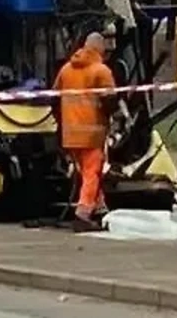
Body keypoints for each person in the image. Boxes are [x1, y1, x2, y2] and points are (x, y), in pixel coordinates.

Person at [54, 32, 116, 232]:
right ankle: (83, 214)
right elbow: (110, 102)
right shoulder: (101, 71)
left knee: (86, 174)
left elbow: (53, 98)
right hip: (92, 133)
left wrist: (62, 122)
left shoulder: (65, 70)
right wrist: (112, 119)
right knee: (93, 174)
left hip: (70, 133)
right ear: (100, 49)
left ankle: (99, 208)